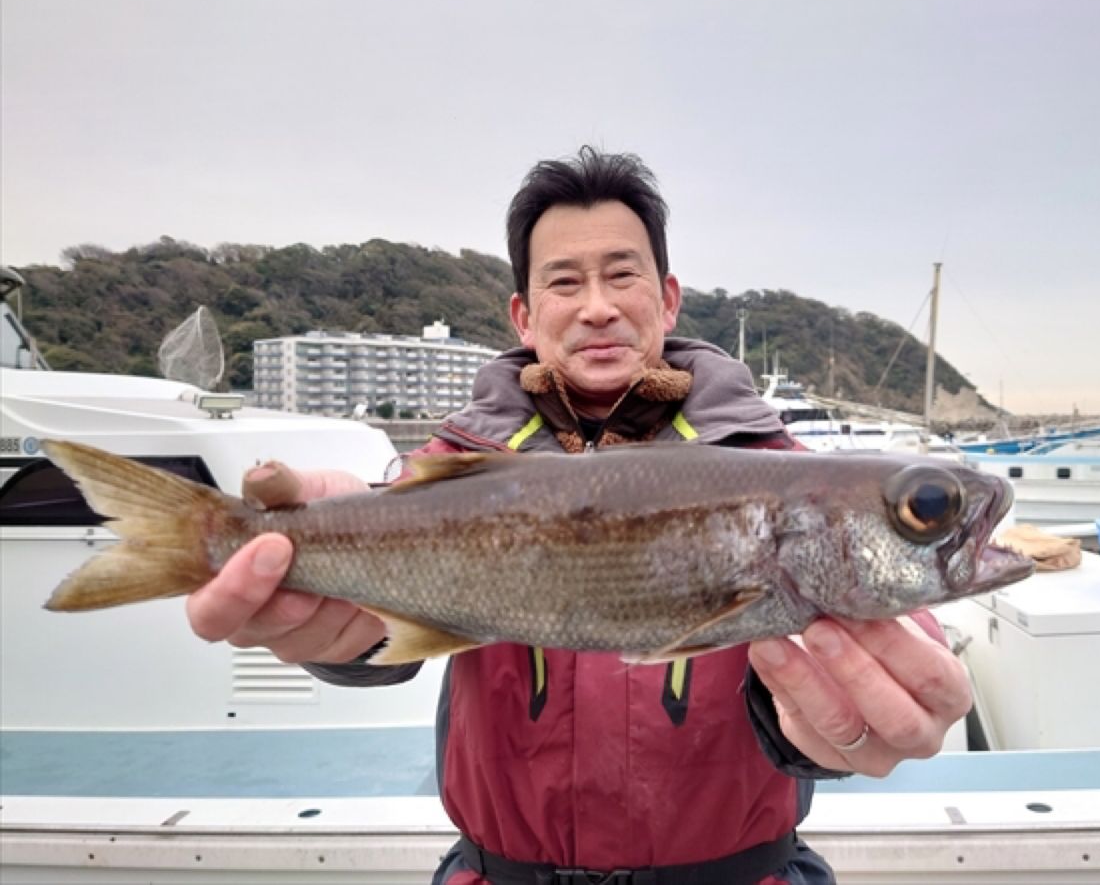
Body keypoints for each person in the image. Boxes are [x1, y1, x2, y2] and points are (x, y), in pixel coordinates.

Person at [187, 147, 972, 884]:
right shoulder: (450, 464)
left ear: (666, 298)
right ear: (525, 317)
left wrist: (871, 707)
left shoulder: (784, 471)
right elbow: (377, 641)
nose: (596, 307)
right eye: (565, 283)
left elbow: (877, 630)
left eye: (621, 275)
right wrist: (334, 629)